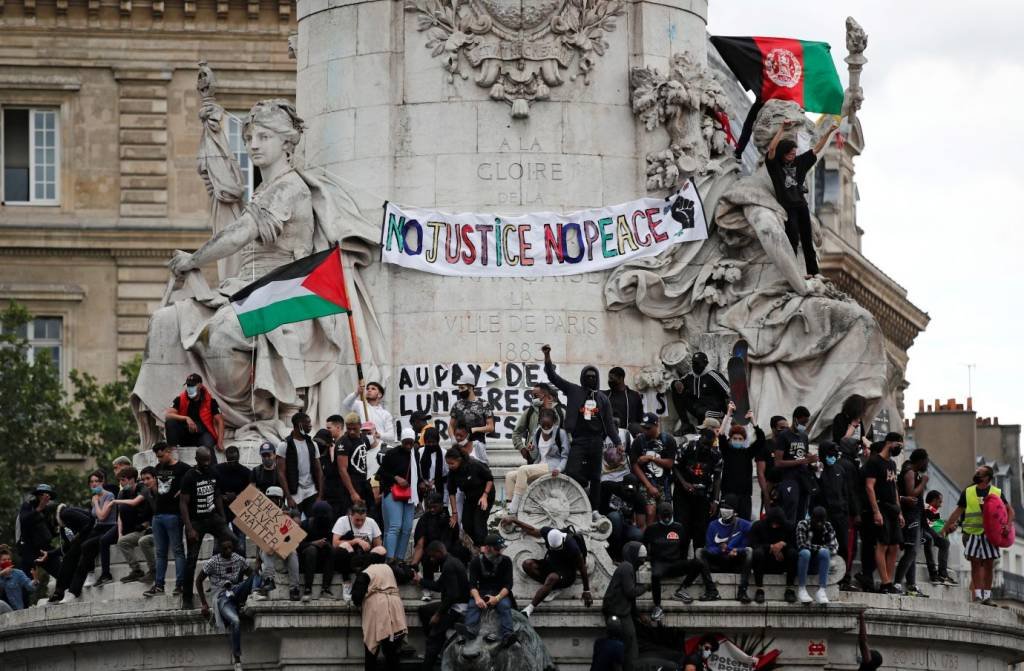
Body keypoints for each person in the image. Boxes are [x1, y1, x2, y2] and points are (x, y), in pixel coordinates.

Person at [542, 344, 623, 515]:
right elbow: (553, 377)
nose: (591, 379)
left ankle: (594, 509)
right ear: (582, 377)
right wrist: (547, 356)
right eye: (588, 376)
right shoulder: (573, 390)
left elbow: (609, 424)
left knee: (596, 477)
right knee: (571, 472)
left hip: (596, 441)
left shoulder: (602, 399)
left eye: (594, 377)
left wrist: (618, 443)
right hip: (578, 440)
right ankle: (578, 491)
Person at [765, 119, 838, 277]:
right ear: (783, 153)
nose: (793, 156)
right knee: (792, 237)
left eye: (794, 153)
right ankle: (792, 271)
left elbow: (816, 149)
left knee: (807, 239)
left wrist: (830, 131)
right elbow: (771, 149)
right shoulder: (775, 165)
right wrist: (782, 129)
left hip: (800, 204)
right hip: (787, 206)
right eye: (790, 153)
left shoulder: (798, 163)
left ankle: (813, 272)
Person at [941, 464, 1014, 605]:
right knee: (975, 564)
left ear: (987, 477)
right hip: (972, 533)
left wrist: (1008, 525)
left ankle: (987, 596)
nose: (976, 473)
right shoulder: (968, 492)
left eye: (979, 472)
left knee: (988, 564)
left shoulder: (996, 492)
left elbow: (1010, 511)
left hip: (990, 535)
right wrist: (945, 527)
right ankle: (978, 596)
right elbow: (958, 511)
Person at [180, 446, 235, 609]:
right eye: (203, 461)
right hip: (196, 521)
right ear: (196, 459)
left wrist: (223, 519)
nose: (206, 464)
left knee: (234, 541)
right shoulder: (189, 476)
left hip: (213, 518)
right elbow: (183, 503)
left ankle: (231, 583)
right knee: (191, 560)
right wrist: (189, 528)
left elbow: (217, 495)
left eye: (208, 461)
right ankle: (187, 598)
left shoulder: (213, 472)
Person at [502, 519, 593, 616]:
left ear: (562, 540)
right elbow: (532, 530)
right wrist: (514, 520)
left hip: (566, 572)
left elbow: (583, 568)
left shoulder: (572, 546)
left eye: (558, 548)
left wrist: (586, 590)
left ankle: (529, 609)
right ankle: (549, 586)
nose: (555, 550)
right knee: (527, 564)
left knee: (552, 578)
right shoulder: (548, 532)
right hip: (550, 564)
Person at [195, 537, 253, 671]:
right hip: (222, 598)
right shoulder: (213, 562)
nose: (228, 551)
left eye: (230, 548)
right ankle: (237, 659)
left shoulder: (237, 558)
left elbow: (250, 574)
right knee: (236, 622)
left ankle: (254, 594)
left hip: (236, 591)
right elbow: (198, 581)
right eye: (225, 548)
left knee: (257, 574)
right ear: (219, 550)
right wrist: (204, 603)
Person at [644, 501, 706, 616]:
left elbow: (684, 547)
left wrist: (681, 560)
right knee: (655, 574)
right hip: (660, 564)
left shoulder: (679, 527)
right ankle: (657, 606)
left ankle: (682, 589)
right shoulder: (652, 529)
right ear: (659, 515)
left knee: (698, 563)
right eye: (664, 516)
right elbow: (645, 545)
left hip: (675, 563)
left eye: (669, 516)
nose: (667, 519)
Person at [505, 408, 569, 518]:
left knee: (523, 469)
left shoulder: (561, 433)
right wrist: (531, 449)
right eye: (543, 425)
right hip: (539, 464)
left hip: (552, 466)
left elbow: (565, 456)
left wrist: (559, 469)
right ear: (539, 422)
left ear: (553, 422)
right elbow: (534, 456)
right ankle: (509, 505)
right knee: (510, 476)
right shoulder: (537, 432)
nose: (546, 428)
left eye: (548, 426)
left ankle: (514, 508)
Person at [416, 541, 470, 671]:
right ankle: (434, 645)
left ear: (439, 553)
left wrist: (438, 614)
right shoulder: (450, 562)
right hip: (452, 603)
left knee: (434, 638)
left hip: (457, 607)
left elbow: (453, 595)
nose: (431, 559)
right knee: (423, 610)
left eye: (433, 556)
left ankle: (432, 654)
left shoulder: (449, 566)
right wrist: (420, 580)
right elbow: (439, 586)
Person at [351, 553, 409, 671]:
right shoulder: (389, 568)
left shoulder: (367, 571)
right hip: (395, 607)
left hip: (377, 609)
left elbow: (357, 596)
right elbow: (406, 575)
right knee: (392, 651)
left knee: (372, 649)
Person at [814, 441, 858, 592]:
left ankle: (844, 578)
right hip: (824, 517)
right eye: (829, 454)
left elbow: (846, 492)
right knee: (825, 547)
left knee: (844, 547)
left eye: (834, 454)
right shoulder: (817, 470)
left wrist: (847, 511)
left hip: (840, 516)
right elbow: (814, 493)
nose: (832, 457)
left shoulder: (840, 469)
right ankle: (823, 577)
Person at [673, 422, 723, 555]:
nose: (705, 448)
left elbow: (717, 478)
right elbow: (675, 466)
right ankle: (681, 559)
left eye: (709, 445)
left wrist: (715, 500)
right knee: (683, 528)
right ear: (700, 439)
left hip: (703, 495)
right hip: (683, 494)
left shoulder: (715, 455)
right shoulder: (686, 447)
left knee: (700, 531)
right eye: (704, 444)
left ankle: (698, 560)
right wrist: (684, 483)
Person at [459, 534, 516, 648]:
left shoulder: (506, 561)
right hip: (482, 591)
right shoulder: (476, 562)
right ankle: (469, 630)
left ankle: (508, 634)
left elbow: (508, 584)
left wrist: (497, 598)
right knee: (473, 606)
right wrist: (478, 599)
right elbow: (472, 585)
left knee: (504, 606)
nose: (500, 551)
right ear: (488, 548)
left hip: (500, 592)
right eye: (497, 548)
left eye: (500, 548)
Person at [863, 434, 904, 594]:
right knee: (883, 544)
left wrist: (899, 512)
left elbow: (894, 488)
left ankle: (889, 581)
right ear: (889, 443)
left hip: (893, 509)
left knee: (894, 546)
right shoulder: (874, 462)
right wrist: (876, 511)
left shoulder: (892, 464)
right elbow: (869, 486)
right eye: (897, 445)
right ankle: (885, 582)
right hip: (881, 507)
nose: (899, 448)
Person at [698, 494, 753, 603]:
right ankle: (711, 590)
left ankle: (742, 591)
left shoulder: (744, 524)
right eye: (722, 506)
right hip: (718, 561)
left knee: (749, 551)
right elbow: (709, 547)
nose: (724, 510)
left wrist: (737, 550)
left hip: (735, 561)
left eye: (728, 507)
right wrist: (722, 550)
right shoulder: (713, 525)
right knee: (699, 552)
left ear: (734, 510)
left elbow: (752, 540)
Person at [411, 492, 465, 602]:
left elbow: (456, 539)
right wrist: (414, 565)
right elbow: (420, 544)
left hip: (447, 552)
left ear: (441, 505)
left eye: (434, 507)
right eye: (429, 507)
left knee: (459, 551)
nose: (432, 510)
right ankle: (427, 589)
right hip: (431, 552)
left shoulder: (450, 519)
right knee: (427, 557)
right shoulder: (424, 519)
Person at [251, 486, 302, 602]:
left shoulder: (290, 509)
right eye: (269, 498)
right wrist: (258, 560)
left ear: (280, 499)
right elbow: (258, 537)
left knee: (293, 553)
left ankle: (294, 588)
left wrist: (286, 517)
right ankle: (269, 580)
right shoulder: (262, 514)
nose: (271, 501)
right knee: (266, 550)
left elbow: (298, 524)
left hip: (285, 544)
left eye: (274, 498)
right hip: (269, 546)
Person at [378, 427, 421, 559]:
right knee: (395, 526)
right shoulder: (392, 454)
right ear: (401, 441)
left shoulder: (415, 454)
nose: (408, 445)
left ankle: (400, 558)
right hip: (392, 492)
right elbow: (381, 473)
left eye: (410, 442)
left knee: (407, 528)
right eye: (405, 442)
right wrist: (396, 478)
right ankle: (390, 558)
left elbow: (417, 474)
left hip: (409, 494)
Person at [333, 502, 387, 602]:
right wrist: (356, 541)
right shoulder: (342, 521)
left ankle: (361, 579)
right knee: (342, 547)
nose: (360, 523)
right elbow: (335, 543)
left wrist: (370, 548)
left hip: (364, 557)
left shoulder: (371, 522)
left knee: (381, 550)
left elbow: (378, 545)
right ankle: (347, 582)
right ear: (351, 515)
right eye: (357, 520)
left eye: (363, 520)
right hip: (349, 556)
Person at [631, 412, 677, 525]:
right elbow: (634, 465)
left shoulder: (668, 440)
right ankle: (648, 540)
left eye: (648, 428)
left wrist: (651, 458)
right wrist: (648, 486)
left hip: (664, 484)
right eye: (643, 428)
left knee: (664, 514)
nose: (645, 431)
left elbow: (670, 463)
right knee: (650, 513)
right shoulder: (638, 441)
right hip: (646, 482)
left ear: (657, 425)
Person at [894, 448, 930, 597]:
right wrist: (923, 483)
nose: (927, 464)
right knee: (911, 551)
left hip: (916, 517)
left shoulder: (912, 472)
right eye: (926, 460)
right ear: (920, 461)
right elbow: (911, 495)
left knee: (913, 553)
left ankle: (911, 585)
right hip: (910, 518)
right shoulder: (910, 472)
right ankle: (897, 582)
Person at [601, 542, 642, 670]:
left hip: (620, 613)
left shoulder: (629, 567)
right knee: (628, 646)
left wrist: (637, 614)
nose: (643, 562)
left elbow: (630, 598)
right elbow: (630, 592)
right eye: (641, 559)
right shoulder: (627, 567)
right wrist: (646, 587)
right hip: (618, 615)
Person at [719, 402, 763, 521]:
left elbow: (761, 439)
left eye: (740, 439)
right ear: (731, 439)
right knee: (726, 523)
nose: (737, 440)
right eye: (735, 438)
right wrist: (728, 414)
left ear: (744, 440)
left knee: (744, 523)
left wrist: (753, 420)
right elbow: (721, 434)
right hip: (728, 493)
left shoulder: (748, 452)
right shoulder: (727, 451)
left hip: (744, 495)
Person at [110, 467, 154, 583]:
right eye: (120, 480)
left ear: (132, 479)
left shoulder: (143, 488)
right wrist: (120, 533)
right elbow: (119, 515)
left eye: (123, 480)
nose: (121, 483)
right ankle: (136, 570)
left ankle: (153, 570)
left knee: (143, 541)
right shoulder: (123, 492)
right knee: (122, 541)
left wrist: (115, 501)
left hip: (149, 528)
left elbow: (135, 502)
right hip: (137, 529)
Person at [773, 409, 817, 525]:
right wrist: (803, 460)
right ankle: (788, 540)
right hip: (789, 479)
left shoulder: (804, 436)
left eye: (806, 423)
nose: (804, 425)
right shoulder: (784, 436)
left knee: (801, 514)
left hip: (803, 478)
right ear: (795, 419)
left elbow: (804, 454)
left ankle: (798, 538)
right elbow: (778, 462)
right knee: (790, 511)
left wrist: (812, 460)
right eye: (803, 423)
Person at [276, 412, 324, 517]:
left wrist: (320, 495)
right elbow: (280, 472)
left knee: (313, 523)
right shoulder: (284, 445)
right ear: (299, 424)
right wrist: (288, 497)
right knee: (294, 526)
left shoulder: (313, 444)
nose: (310, 425)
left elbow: (318, 470)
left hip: (312, 491)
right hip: (295, 493)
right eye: (308, 423)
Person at [164, 373, 224, 455]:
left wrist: (220, 441)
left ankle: (212, 466)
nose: (189, 388)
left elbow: (220, 421)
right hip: (185, 435)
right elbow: (168, 415)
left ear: (200, 385)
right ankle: (173, 454)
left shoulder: (210, 401)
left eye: (192, 385)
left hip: (202, 434)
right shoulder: (180, 399)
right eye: (188, 385)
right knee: (170, 422)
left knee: (208, 448)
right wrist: (186, 418)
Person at [445, 447, 494, 547]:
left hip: (484, 495)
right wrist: (454, 513)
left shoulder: (474, 464)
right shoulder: (452, 473)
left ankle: (483, 548)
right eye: (448, 464)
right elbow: (451, 492)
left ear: (459, 460)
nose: (450, 466)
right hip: (470, 497)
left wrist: (485, 495)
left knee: (478, 524)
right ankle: (477, 546)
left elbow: (489, 478)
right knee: (466, 524)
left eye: (452, 463)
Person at [670, 351, 730, 432]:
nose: (696, 366)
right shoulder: (691, 376)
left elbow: (728, 391)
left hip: (716, 411)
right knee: (677, 392)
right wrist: (676, 384)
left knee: (702, 411)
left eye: (698, 364)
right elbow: (678, 383)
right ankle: (686, 424)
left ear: (705, 364)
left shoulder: (713, 375)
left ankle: (706, 428)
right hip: (699, 409)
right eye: (694, 364)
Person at [748, 507, 797, 604]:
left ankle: (790, 589)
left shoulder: (789, 527)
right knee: (757, 552)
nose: (774, 526)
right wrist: (771, 547)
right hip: (763, 561)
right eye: (772, 523)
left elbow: (796, 544)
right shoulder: (758, 526)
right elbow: (752, 544)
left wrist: (783, 544)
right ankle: (759, 589)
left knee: (793, 553)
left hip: (781, 561)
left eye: (777, 524)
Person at [49, 504, 95, 604]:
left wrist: (78, 536)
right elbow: (66, 546)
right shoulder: (64, 525)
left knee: (71, 557)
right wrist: (49, 554)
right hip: (85, 535)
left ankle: (62, 591)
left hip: (91, 532)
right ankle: (60, 590)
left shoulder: (66, 513)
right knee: (68, 557)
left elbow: (88, 522)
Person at [79, 470, 117, 589]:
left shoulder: (109, 495)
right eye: (91, 482)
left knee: (89, 545)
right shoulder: (94, 497)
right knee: (82, 544)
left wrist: (95, 502)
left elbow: (102, 516)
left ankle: (99, 574)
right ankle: (88, 574)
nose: (94, 484)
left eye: (96, 481)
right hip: (99, 527)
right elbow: (95, 518)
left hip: (109, 527)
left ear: (102, 482)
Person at [512, 382, 565, 465]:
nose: (533, 399)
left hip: (555, 458)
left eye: (536, 396)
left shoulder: (560, 412)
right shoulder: (530, 412)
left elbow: (568, 435)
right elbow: (516, 433)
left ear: (547, 396)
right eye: (532, 396)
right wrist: (522, 449)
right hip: (533, 457)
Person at [15, 484, 61, 579]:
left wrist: (59, 530)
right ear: (37, 495)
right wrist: (39, 508)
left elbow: (50, 531)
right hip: (29, 550)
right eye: (42, 495)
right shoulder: (27, 506)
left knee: (61, 573)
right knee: (27, 582)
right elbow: (24, 521)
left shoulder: (48, 510)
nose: (45, 498)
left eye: (47, 496)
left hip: (44, 549)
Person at [795, 506, 838, 605]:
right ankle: (802, 589)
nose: (819, 524)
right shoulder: (803, 524)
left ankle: (822, 590)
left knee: (825, 553)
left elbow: (834, 548)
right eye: (817, 520)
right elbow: (802, 545)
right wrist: (821, 548)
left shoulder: (827, 526)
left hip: (818, 563)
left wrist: (821, 549)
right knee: (805, 552)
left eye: (821, 521)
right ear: (812, 518)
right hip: (804, 563)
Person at [215, 445, 252, 555]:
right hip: (222, 510)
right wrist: (222, 496)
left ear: (239, 457)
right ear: (226, 458)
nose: (232, 463)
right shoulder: (218, 469)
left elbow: (250, 492)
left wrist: (237, 496)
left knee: (240, 544)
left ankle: (241, 568)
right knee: (218, 545)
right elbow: (212, 487)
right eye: (230, 460)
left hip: (239, 511)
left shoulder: (246, 472)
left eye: (234, 460)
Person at [337, 412, 376, 515]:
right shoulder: (343, 442)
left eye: (354, 428)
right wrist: (352, 492)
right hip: (350, 483)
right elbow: (342, 469)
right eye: (349, 429)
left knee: (369, 513)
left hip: (364, 481)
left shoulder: (364, 439)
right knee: (351, 515)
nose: (352, 432)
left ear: (360, 425)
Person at [299, 501, 338, 601]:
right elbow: (297, 546)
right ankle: (307, 589)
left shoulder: (331, 526)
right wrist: (313, 543)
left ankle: (325, 589)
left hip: (324, 562)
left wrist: (326, 544)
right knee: (311, 550)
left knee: (331, 550)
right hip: (307, 562)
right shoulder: (306, 525)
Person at [342, 381, 397, 447]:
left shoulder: (385, 414)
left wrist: (378, 435)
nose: (369, 390)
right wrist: (357, 393)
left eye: (373, 389)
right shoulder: (360, 405)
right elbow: (346, 403)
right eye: (367, 389)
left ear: (379, 394)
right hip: (362, 446)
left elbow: (391, 436)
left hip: (378, 447)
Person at [450, 371, 496, 445]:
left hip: (478, 444)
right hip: (460, 444)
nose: (460, 390)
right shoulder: (457, 405)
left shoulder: (483, 404)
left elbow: (490, 427)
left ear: (470, 388)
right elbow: (451, 426)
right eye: (459, 388)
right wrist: (452, 438)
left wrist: (475, 429)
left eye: (462, 388)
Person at [923, 490, 954, 585]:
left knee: (944, 542)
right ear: (934, 500)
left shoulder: (934, 511)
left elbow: (941, 532)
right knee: (943, 542)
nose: (940, 505)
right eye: (939, 502)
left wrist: (948, 530)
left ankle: (942, 574)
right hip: (923, 532)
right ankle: (940, 574)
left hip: (929, 532)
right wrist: (946, 529)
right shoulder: (927, 508)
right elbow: (938, 531)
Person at [0, 545, 35, 610]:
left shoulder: (18, 573)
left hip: (14, 610)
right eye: (4, 560)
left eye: (9, 559)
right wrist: (2, 573)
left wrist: (35, 580)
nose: (7, 561)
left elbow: (30, 587)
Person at [419, 427, 447, 499]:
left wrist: (434, 481)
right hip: (422, 489)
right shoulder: (419, 452)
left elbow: (448, 474)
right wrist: (423, 481)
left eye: (433, 442)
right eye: (428, 442)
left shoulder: (444, 453)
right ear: (425, 441)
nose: (431, 444)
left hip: (439, 489)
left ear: (437, 441)